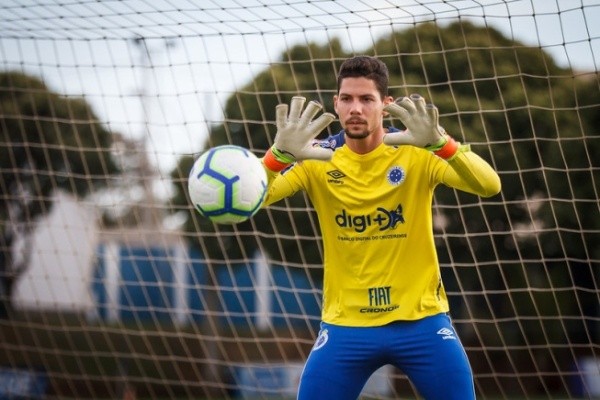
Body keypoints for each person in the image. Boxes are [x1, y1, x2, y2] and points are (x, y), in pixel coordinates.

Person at [260, 55, 501, 400]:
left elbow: (489, 185)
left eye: (366, 99)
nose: (355, 108)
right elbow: (256, 198)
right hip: (347, 326)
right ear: (336, 104)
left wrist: (442, 144)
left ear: (385, 105)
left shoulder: (417, 151)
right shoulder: (316, 158)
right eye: (347, 98)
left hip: (422, 322)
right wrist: (277, 157)